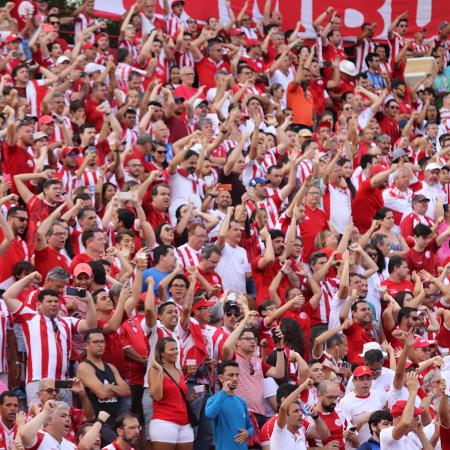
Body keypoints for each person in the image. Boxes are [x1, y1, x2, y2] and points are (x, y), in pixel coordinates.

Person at [2, 271, 97, 404]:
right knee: (39, 422)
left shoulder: (67, 321)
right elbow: (8, 296)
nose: (53, 304)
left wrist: (89, 301)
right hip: (38, 380)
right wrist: (29, 277)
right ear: (38, 305)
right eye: (49, 301)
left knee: (64, 420)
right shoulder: (30, 317)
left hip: (62, 383)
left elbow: (91, 324)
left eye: (56, 301)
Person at [77, 328, 131, 445]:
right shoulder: (85, 367)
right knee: (119, 446)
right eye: (96, 342)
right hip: (98, 423)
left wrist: (109, 387)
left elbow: (127, 390)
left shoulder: (111, 367)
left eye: (102, 341)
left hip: (117, 421)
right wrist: (114, 389)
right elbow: (102, 393)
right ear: (86, 345)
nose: (100, 345)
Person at [148, 337, 194, 450]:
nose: (176, 352)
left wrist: (191, 398)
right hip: (164, 423)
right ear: (162, 353)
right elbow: (157, 396)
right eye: (172, 349)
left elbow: (178, 398)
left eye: (176, 348)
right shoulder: (154, 371)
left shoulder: (179, 371)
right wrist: (159, 370)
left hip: (185, 423)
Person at [205, 360, 253, 450]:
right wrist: (223, 392)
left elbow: (250, 427)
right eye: (231, 375)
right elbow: (209, 414)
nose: (235, 378)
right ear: (221, 378)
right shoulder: (213, 399)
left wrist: (248, 433)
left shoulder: (241, 401)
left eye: (237, 375)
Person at [380, 372, 434, 449]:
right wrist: (413, 391)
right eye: (414, 415)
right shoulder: (386, 433)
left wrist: (421, 434)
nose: (418, 419)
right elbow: (405, 422)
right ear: (399, 418)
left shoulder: (412, 435)